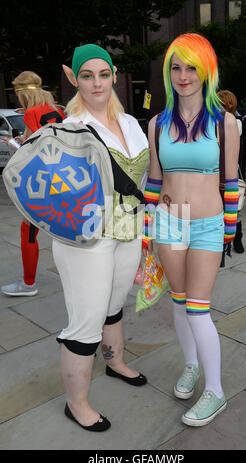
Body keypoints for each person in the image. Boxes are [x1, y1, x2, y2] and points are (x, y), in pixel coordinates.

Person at [142, 33, 239, 427]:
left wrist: (227, 233)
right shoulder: (156, 123)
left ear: (206, 70)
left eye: (191, 67)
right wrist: (149, 231)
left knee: (199, 310)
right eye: (176, 67)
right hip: (168, 222)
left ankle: (215, 391)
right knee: (179, 303)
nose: (183, 76)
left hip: (207, 226)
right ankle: (191, 366)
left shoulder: (224, 121)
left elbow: (230, 182)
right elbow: (153, 182)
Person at [54, 44, 149, 432]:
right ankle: (76, 403)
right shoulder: (67, 127)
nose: (97, 83)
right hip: (86, 238)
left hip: (128, 229)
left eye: (104, 74)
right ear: (72, 77)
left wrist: (149, 236)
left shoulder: (129, 123)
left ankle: (114, 362)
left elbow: (142, 180)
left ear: (113, 73)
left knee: (113, 304)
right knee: (86, 320)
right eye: (87, 75)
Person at [1, 71, 65, 297]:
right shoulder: (56, 110)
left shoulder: (31, 112)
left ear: (22, 93)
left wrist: (11, 143)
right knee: (64, 231)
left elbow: (30, 154)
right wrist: (23, 139)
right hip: (63, 179)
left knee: (28, 231)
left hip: (41, 184)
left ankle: (28, 284)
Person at [217, 90, 244, 254]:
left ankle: (237, 237)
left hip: (231, 169)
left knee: (235, 205)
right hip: (217, 169)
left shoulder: (233, 122)